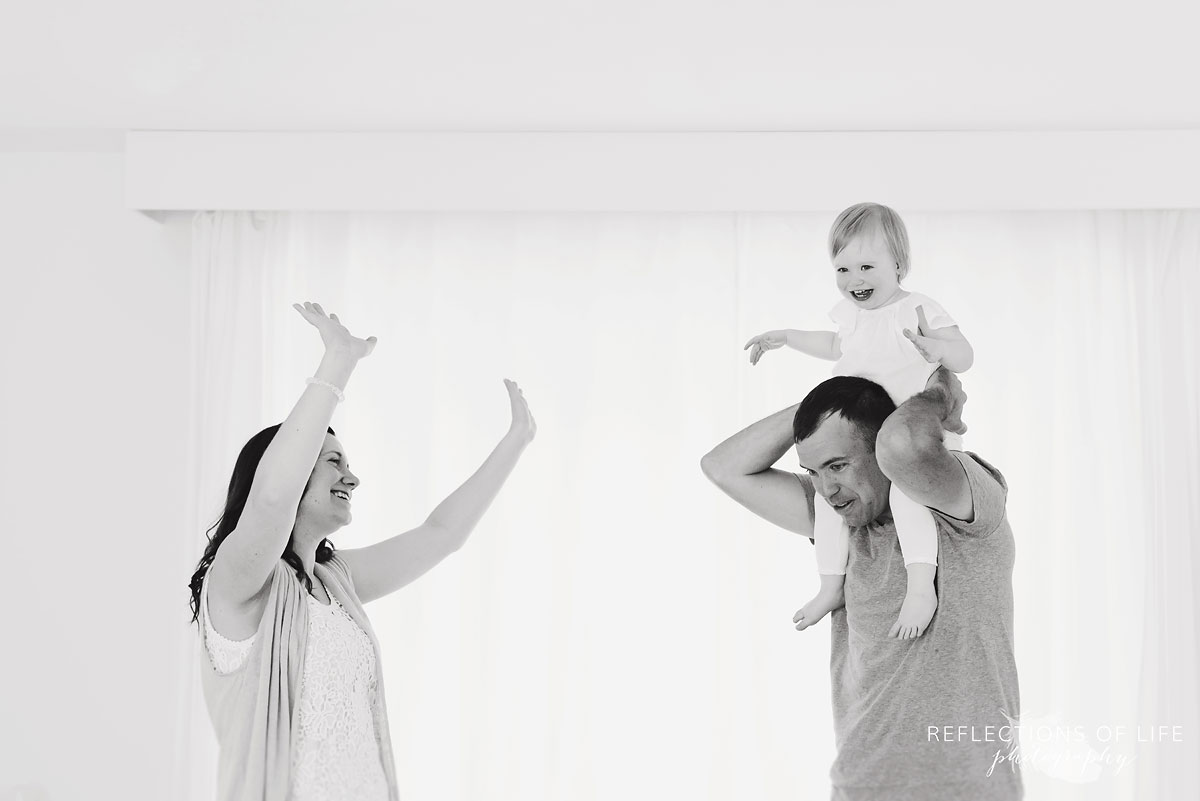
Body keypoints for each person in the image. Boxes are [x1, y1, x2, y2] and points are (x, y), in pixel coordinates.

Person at [187, 301, 536, 801]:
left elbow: (440, 534)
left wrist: (514, 443)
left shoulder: (335, 580)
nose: (352, 476)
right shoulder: (239, 583)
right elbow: (271, 497)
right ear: (294, 467)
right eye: (333, 461)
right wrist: (338, 363)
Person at [700, 369, 1021, 801]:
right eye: (813, 471)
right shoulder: (842, 524)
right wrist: (823, 406)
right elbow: (723, 467)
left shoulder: (961, 502)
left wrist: (939, 393)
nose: (827, 489)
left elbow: (904, 444)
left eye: (838, 465)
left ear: (879, 447)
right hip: (860, 789)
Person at [744, 202, 974, 639]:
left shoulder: (916, 310)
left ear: (899, 264)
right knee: (832, 504)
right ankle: (831, 584)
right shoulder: (850, 316)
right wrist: (787, 337)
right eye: (843, 269)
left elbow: (965, 354)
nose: (855, 280)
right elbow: (835, 345)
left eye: (867, 266)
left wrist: (939, 350)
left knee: (908, 497)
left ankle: (922, 585)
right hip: (863, 438)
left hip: (914, 435)